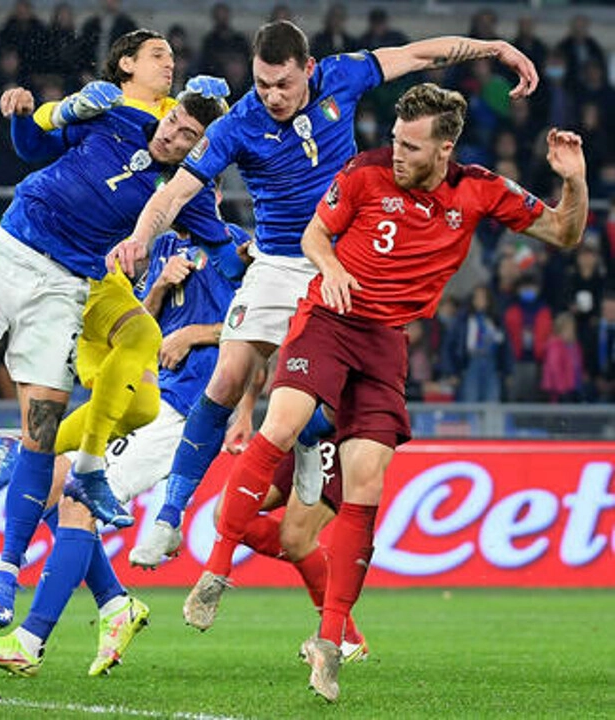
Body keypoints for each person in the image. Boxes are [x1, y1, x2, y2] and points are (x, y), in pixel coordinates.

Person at [111, 20, 540, 574]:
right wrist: (141, 236)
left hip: (344, 261)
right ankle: (169, 518)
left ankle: (311, 442)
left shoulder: (343, 75)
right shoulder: (239, 123)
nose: (272, 96)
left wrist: (495, 47)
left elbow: (419, 55)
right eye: (263, 84)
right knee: (226, 377)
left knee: (326, 397)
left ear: (308, 70)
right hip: (277, 261)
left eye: (283, 85)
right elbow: (175, 193)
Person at [220, 85, 584, 702]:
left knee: (302, 533)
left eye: (411, 145)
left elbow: (564, 233)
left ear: (445, 150)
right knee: (286, 531)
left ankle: (335, 633)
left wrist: (573, 182)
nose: (395, 151)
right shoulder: (365, 176)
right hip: (325, 364)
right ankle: (297, 607)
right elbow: (285, 294)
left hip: (374, 364)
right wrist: (250, 402)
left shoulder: (477, 189)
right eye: (394, 137)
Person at [0, 29, 228, 564]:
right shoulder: (116, 113)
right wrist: (25, 110)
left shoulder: (184, 185)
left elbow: (222, 238)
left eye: (186, 133)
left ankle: (23, 546)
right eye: (160, 55)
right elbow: (35, 144)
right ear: (126, 64)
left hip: (70, 284)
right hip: (17, 248)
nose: (170, 67)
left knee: (109, 404)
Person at [0, 222, 246, 677]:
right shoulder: (164, 246)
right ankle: (115, 603)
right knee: (53, 481)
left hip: (185, 406)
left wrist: (192, 335)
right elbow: (140, 325)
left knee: (75, 499)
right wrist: (160, 286)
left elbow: (259, 329)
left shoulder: (234, 247)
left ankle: (29, 642)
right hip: (145, 390)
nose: (169, 199)